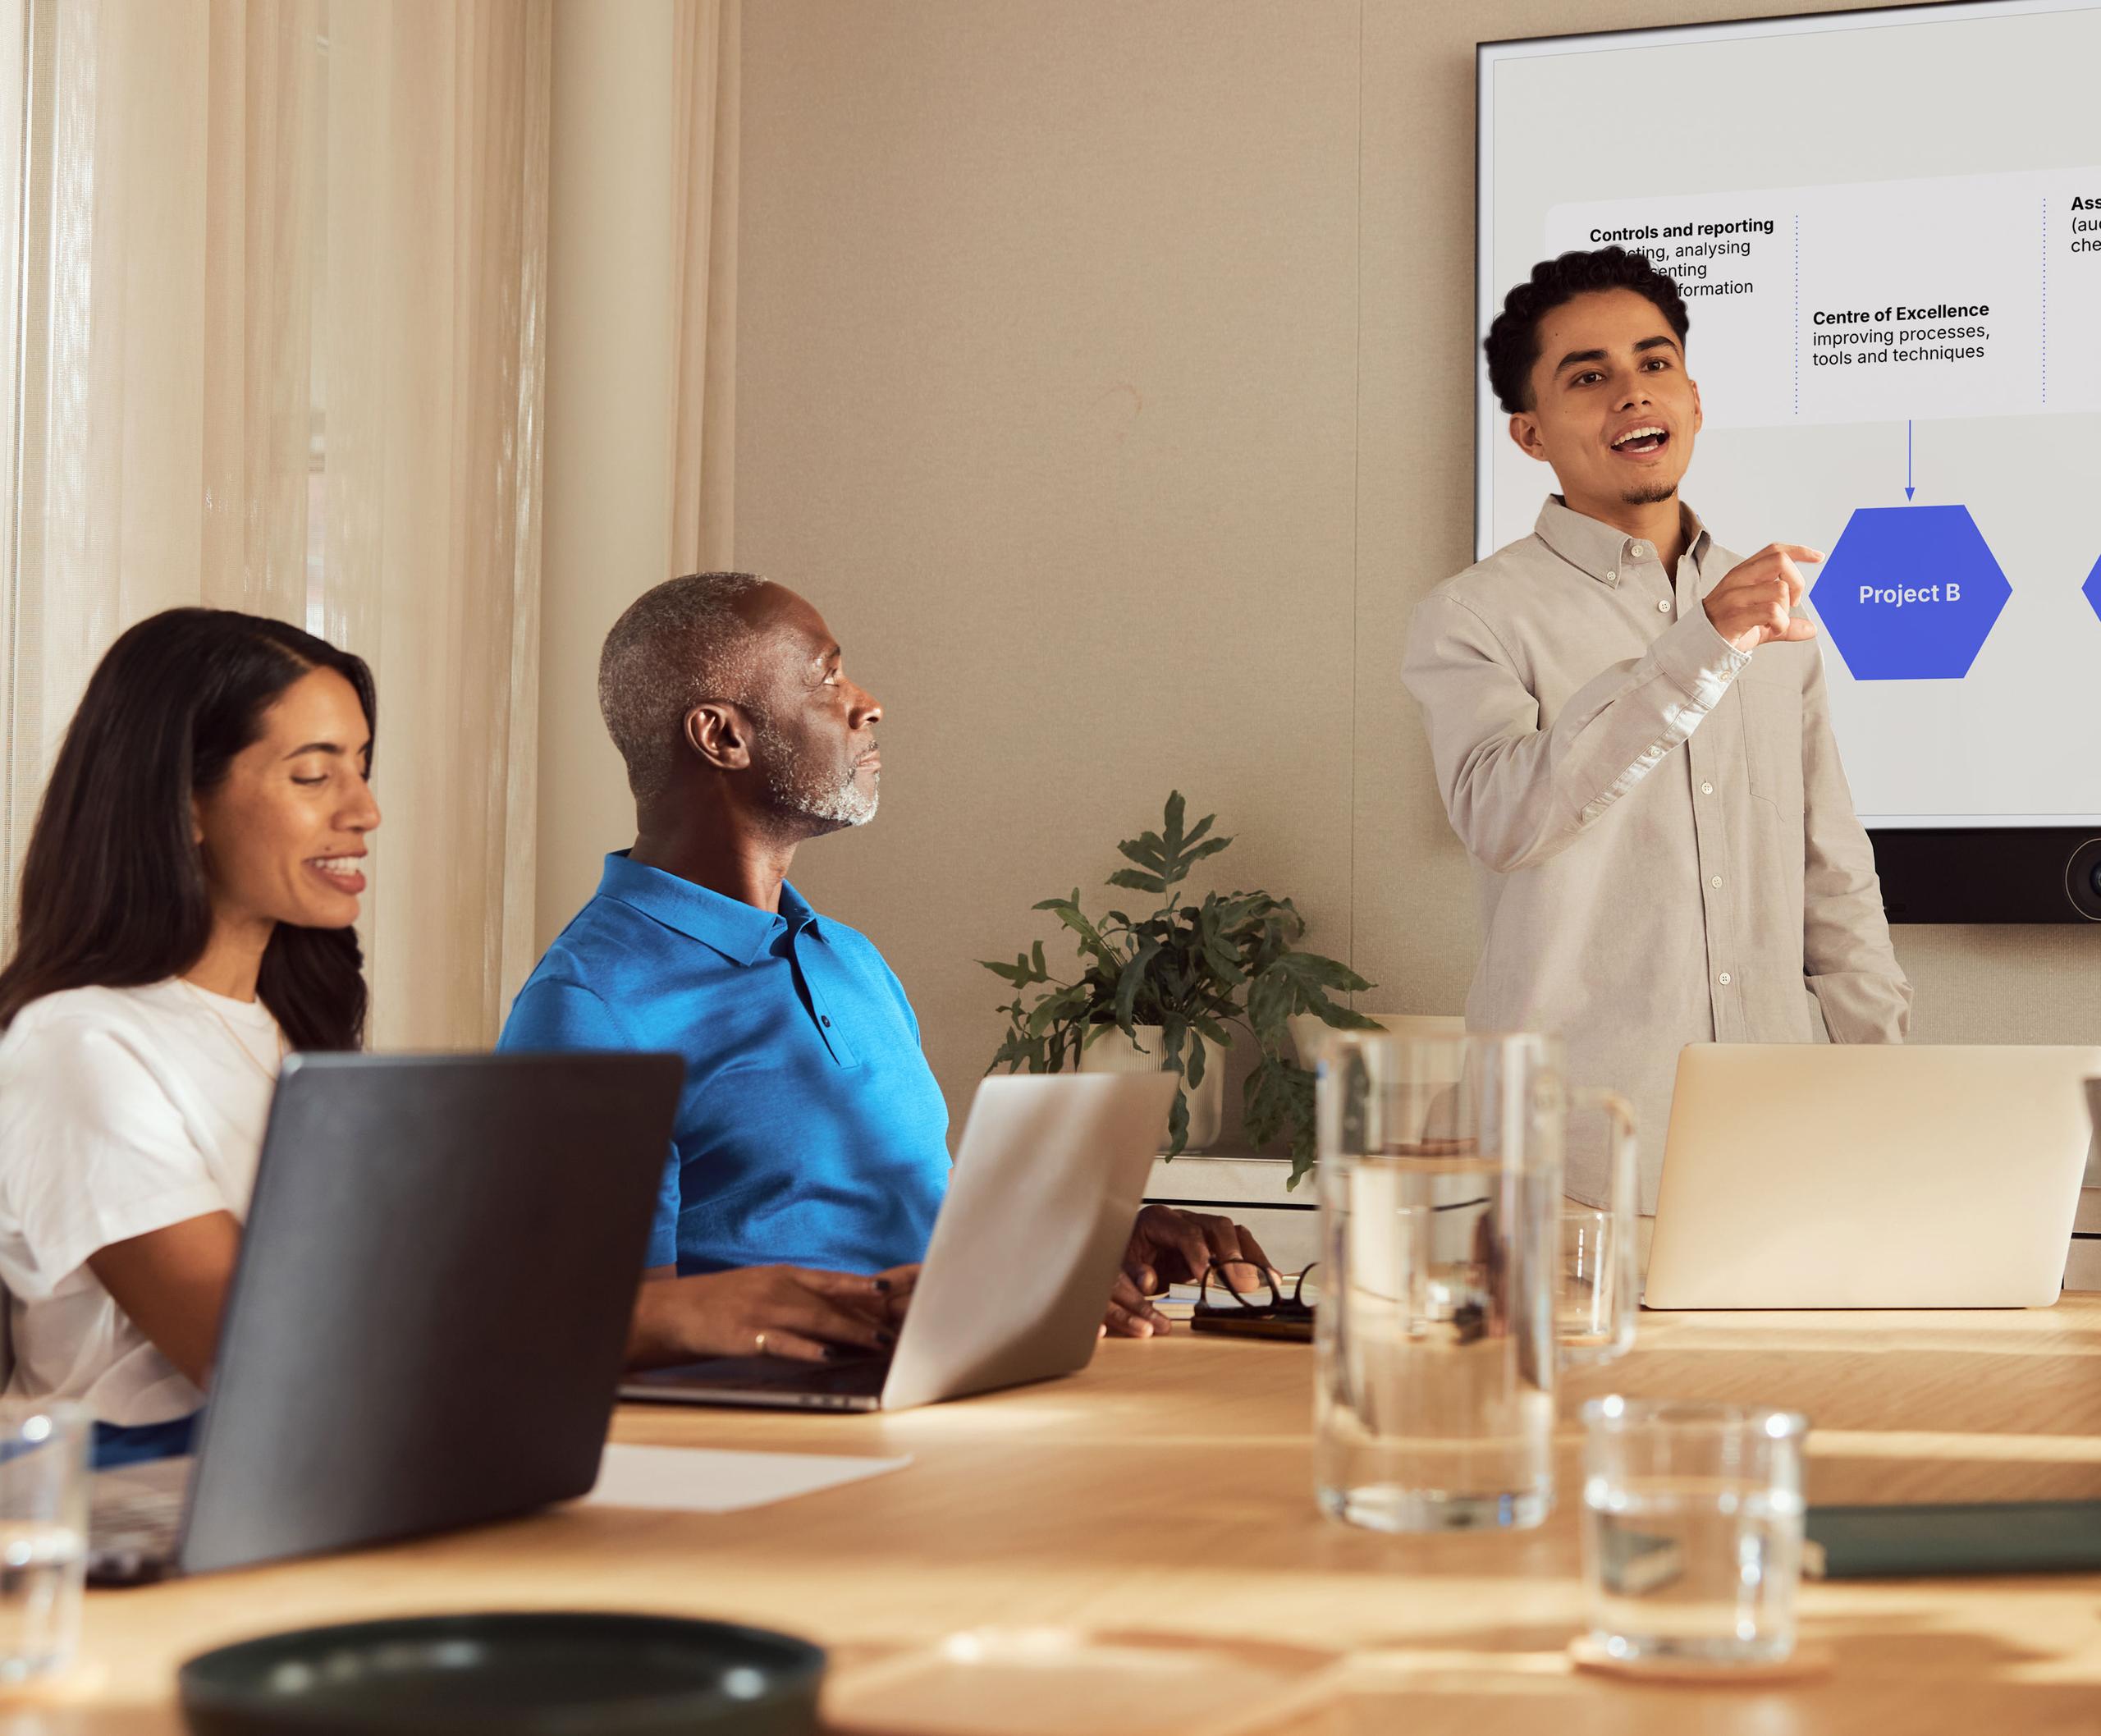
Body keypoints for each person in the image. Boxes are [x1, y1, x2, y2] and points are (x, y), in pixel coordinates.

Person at [0, 610, 899, 1467]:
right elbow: (265, 1361)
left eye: (361, 766)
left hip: (326, 1482)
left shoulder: (278, 1035)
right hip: (140, 1511)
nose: (364, 811)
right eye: (314, 775)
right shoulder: (79, 1047)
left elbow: (379, 1327)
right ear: (181, 801)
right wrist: (657, 1318)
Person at [500, 573, 1270, 1339]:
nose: (867, 704)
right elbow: (591, 1337)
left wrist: (1095, 1244)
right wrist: (883, 1317)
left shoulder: (850, 959)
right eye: (828, 676)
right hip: (783, 1446)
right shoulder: (591, 1005)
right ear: (723, 736)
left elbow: (914, 1221)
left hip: (947, 1406)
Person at [1401, 247, 1911, 1228]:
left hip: (1780, 1151)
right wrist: (1700, 646)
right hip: (1571, 1173)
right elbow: (1506, 819)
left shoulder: (1775, 612)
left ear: (1692, 396)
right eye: (1587, 376)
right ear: (1529, 432)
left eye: (1655, 361)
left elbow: (1832, 875)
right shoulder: (1473, 616)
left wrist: (1885, 1086)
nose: (1631, 393)